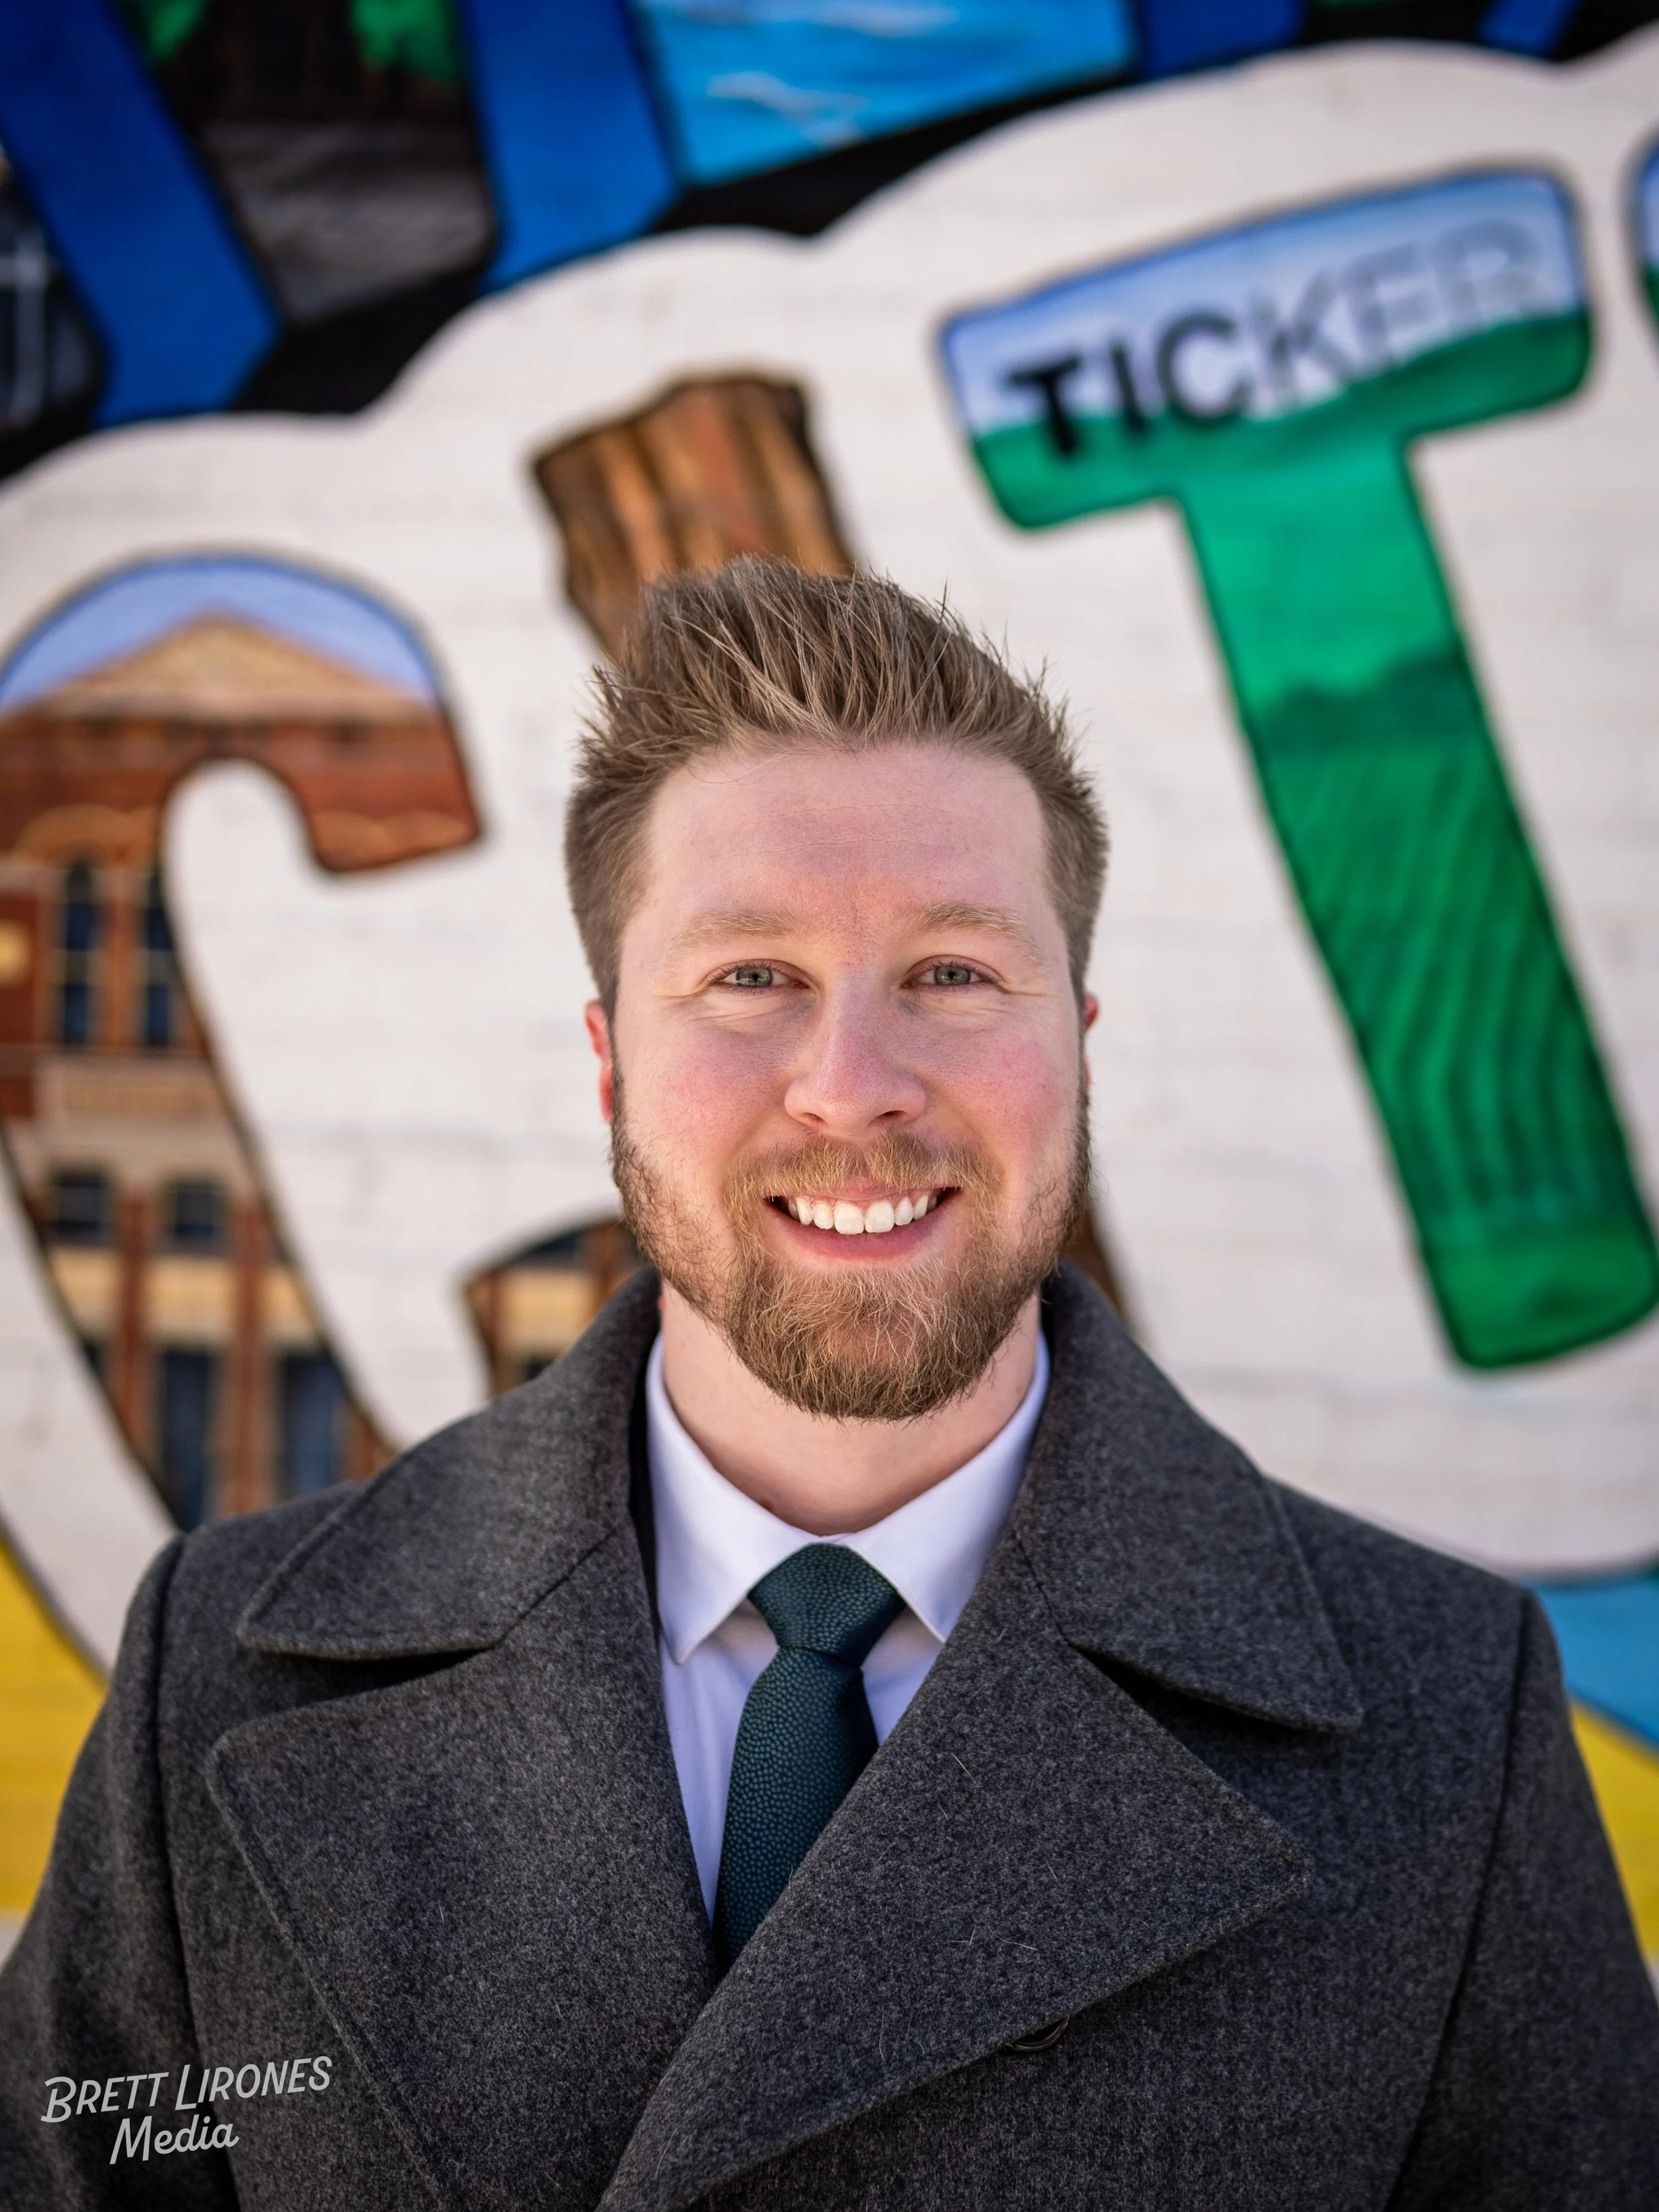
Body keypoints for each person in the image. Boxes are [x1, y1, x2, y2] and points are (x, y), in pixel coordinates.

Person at [1, 559, 1654, 2209]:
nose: (851, 1089)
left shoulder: (1447, 1717)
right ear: (608, 1061)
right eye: (749, 977)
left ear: (1075, 1037)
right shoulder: (213, 1681)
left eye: (950, 973)